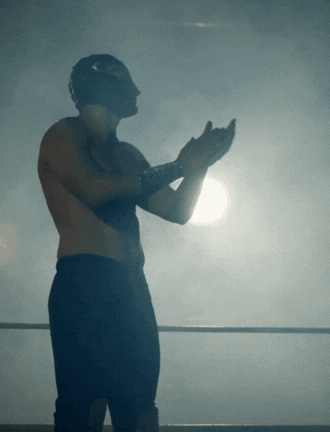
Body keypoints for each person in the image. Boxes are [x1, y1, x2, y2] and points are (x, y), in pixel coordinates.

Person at [37, 54, 235, 432]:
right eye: (128, 83)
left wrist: (198, 167)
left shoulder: (127, 154)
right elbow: (95, 190)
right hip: (85, 283)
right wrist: (179, 167)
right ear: (104, 84)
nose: (138, 91)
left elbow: (176, 210)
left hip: (130, 287)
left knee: (140, 407)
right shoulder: (63, 134)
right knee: (83, 407)